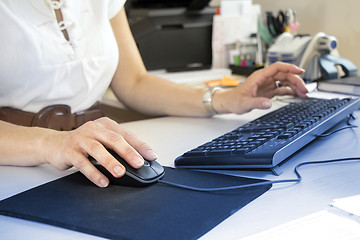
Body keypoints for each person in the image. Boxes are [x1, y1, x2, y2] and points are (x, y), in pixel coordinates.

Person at [0, 0, 308, 188]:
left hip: (90, 156)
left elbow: (133, 81)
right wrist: (50, 142)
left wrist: (223, 99)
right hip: (13, 165)